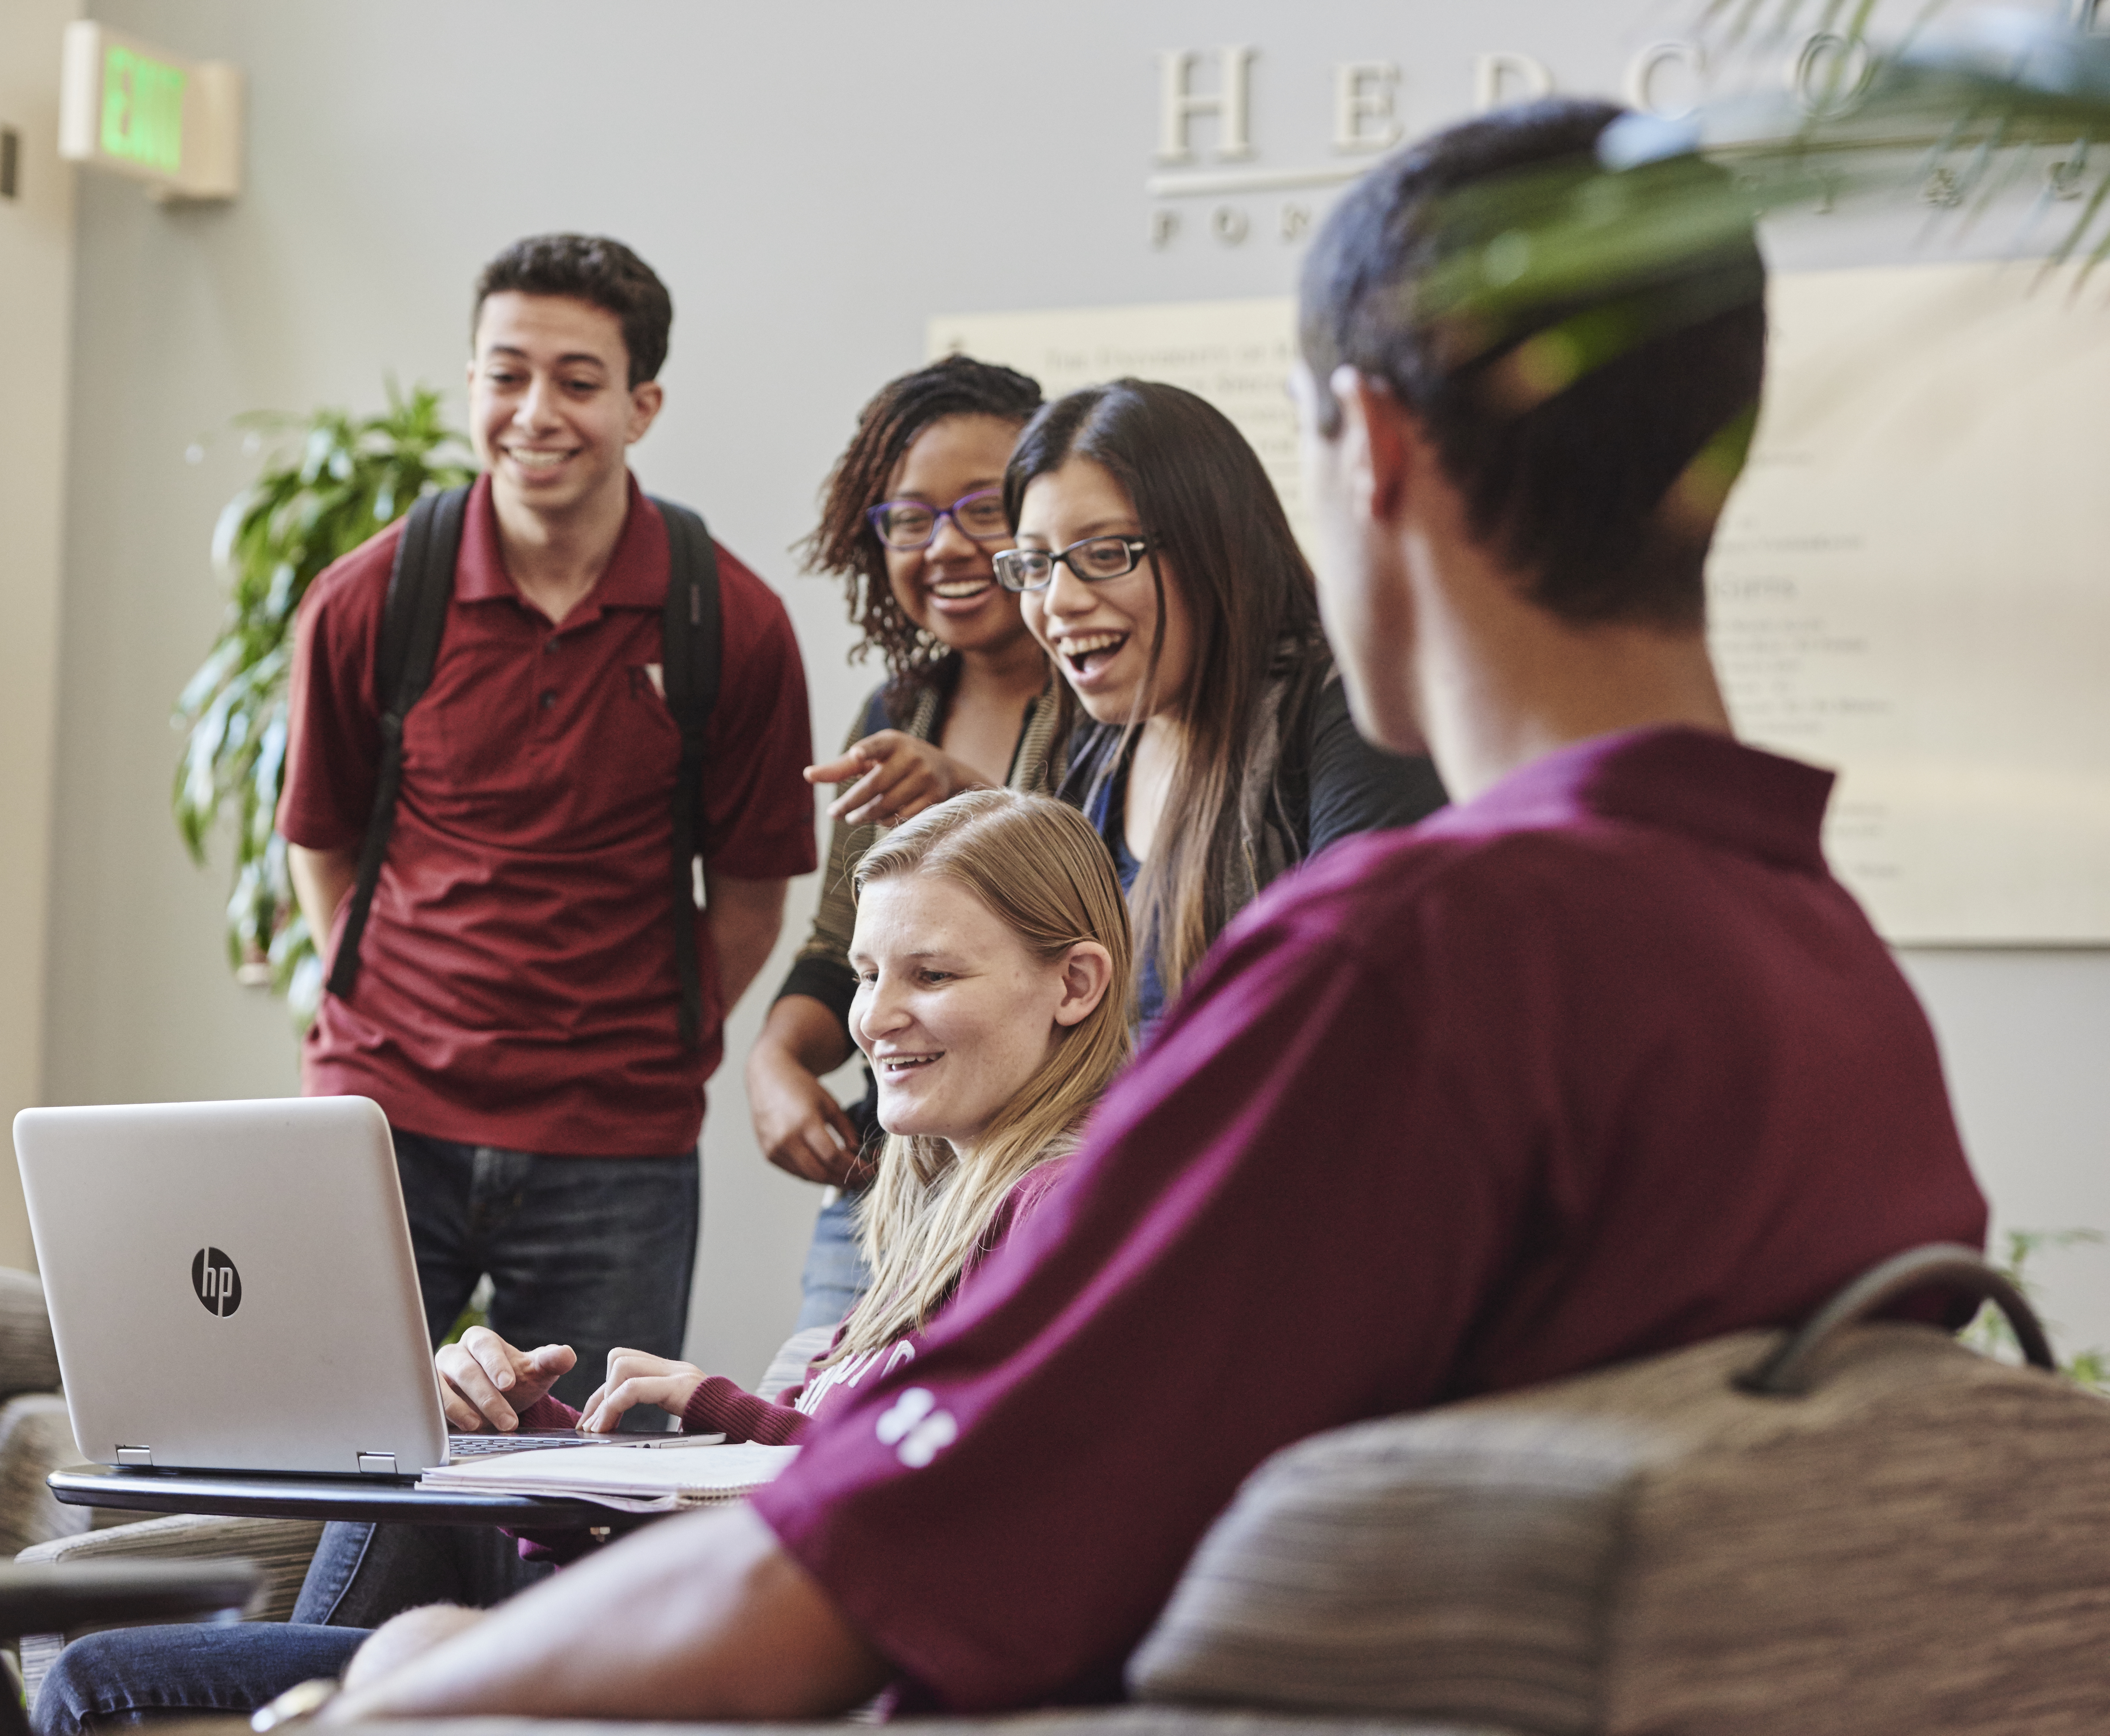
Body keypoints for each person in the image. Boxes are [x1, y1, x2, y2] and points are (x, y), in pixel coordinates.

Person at [310, 98, 1990, 1723]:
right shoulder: (1829, 970)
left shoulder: (1402, 968)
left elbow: (852, 1582)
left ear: (1374, 454)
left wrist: (399, 1676)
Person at [31, 790, 1132, 1731]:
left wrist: (721, 1409)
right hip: (706, 1623)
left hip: (770, 1673)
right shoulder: (926, 1223)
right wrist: (532, 1439)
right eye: (866, 973)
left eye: (930, 975)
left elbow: (929, 1506)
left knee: (102, 1683)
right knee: (414, 1441)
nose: (874, 1019)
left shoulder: (1065, 1212)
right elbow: (749, 1522)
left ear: (1075, 986)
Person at [277, 233, 818, 1405]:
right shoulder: (367, 600)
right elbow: (320, 841)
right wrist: (392, 1007)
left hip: (615, 1140)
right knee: (334, 1452)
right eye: (505, 375)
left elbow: (750, 898)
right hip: (381, 1120)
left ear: (642, 405)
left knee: (586, 1484)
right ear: (472, 383)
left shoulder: (731, 621)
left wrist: (639, 1039)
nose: (536, 413)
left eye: (577, 382)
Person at [747, 357, 1079, 1333]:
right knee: (815, 1417)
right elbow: (839, 948)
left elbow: (1104, 916)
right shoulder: (898, 710)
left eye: (984, 510)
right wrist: (776, 1063)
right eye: (909, 518)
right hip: (892, 1178)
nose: (945, 546)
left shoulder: (1113, 702)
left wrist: (967, 799)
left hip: (1051, 1179)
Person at [997, 377, 1448, 1036]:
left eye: (1105, 553)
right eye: (1035, 565)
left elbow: (1359, 1007)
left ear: (1215, 545)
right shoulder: (1091, 751)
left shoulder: (1346, 711)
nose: (1058, 600)